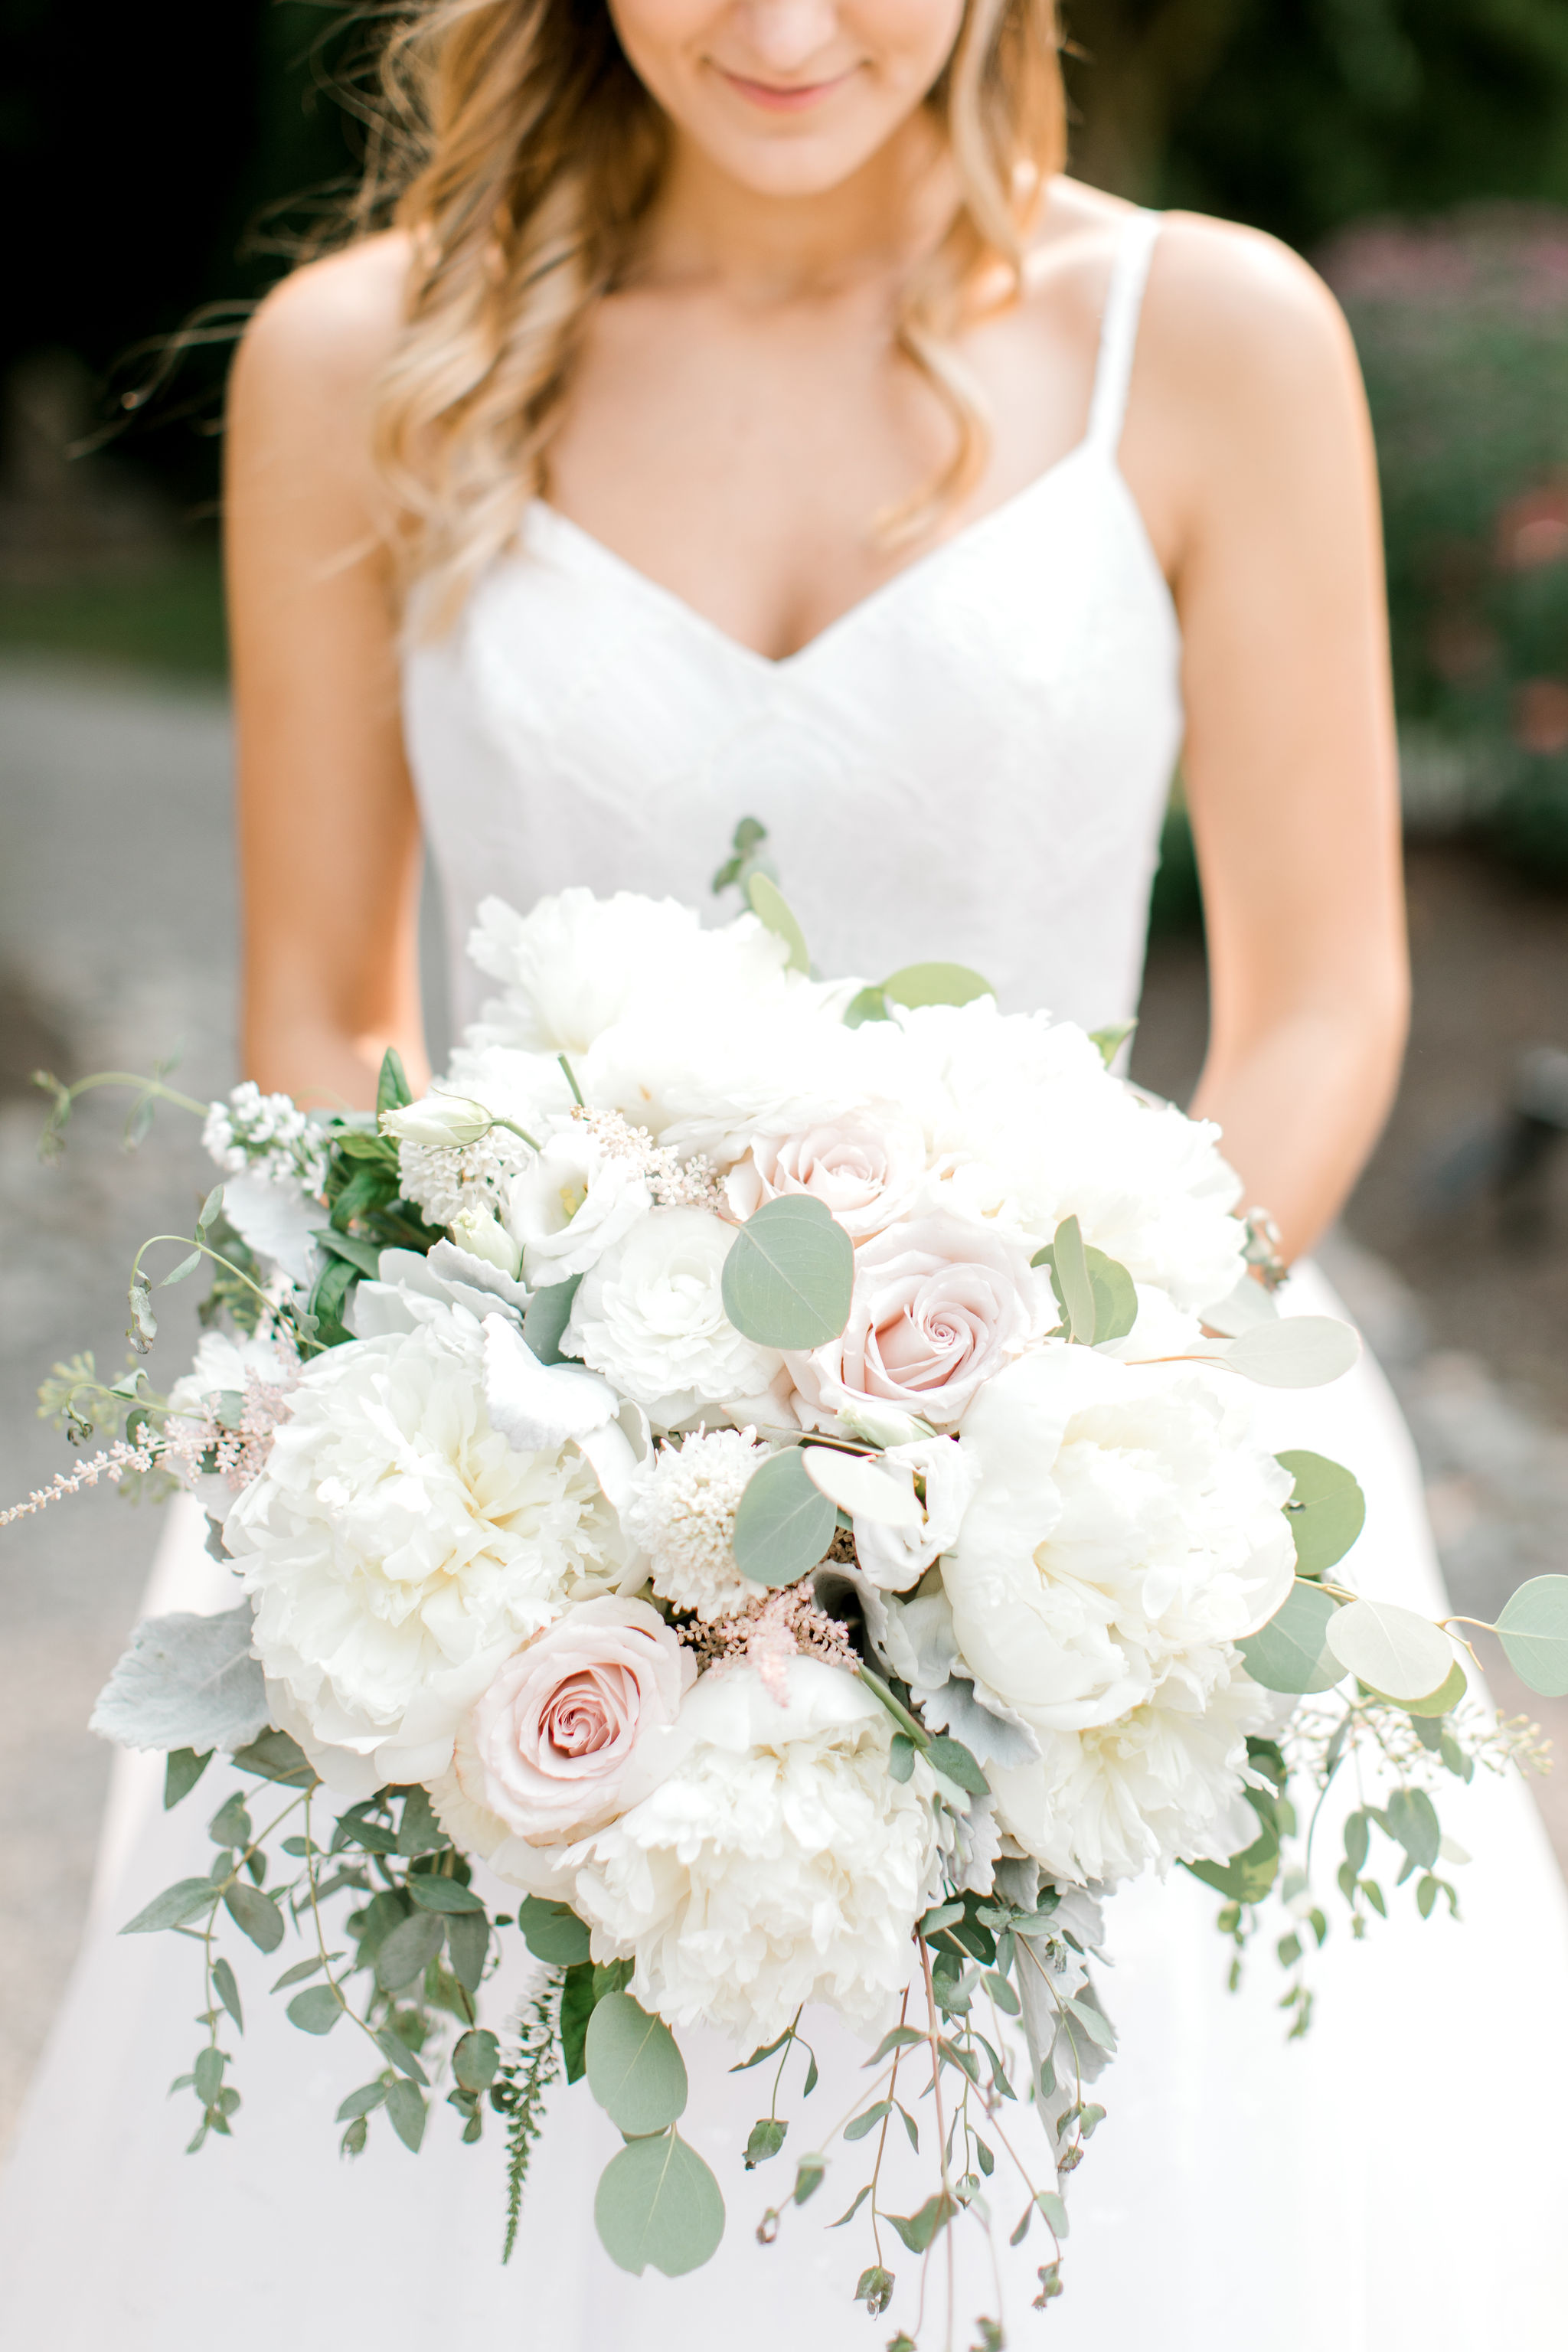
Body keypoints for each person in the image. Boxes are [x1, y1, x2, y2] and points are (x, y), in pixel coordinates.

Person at [3, 5, 1566, 2346]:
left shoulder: (1209, 335)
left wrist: (1025, 1428)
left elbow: (1323, 996)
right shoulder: (364, 360)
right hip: (522, 1495)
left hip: (1093, 1467)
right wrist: (545, 1477)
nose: (789, 25)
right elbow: (325, 1012)